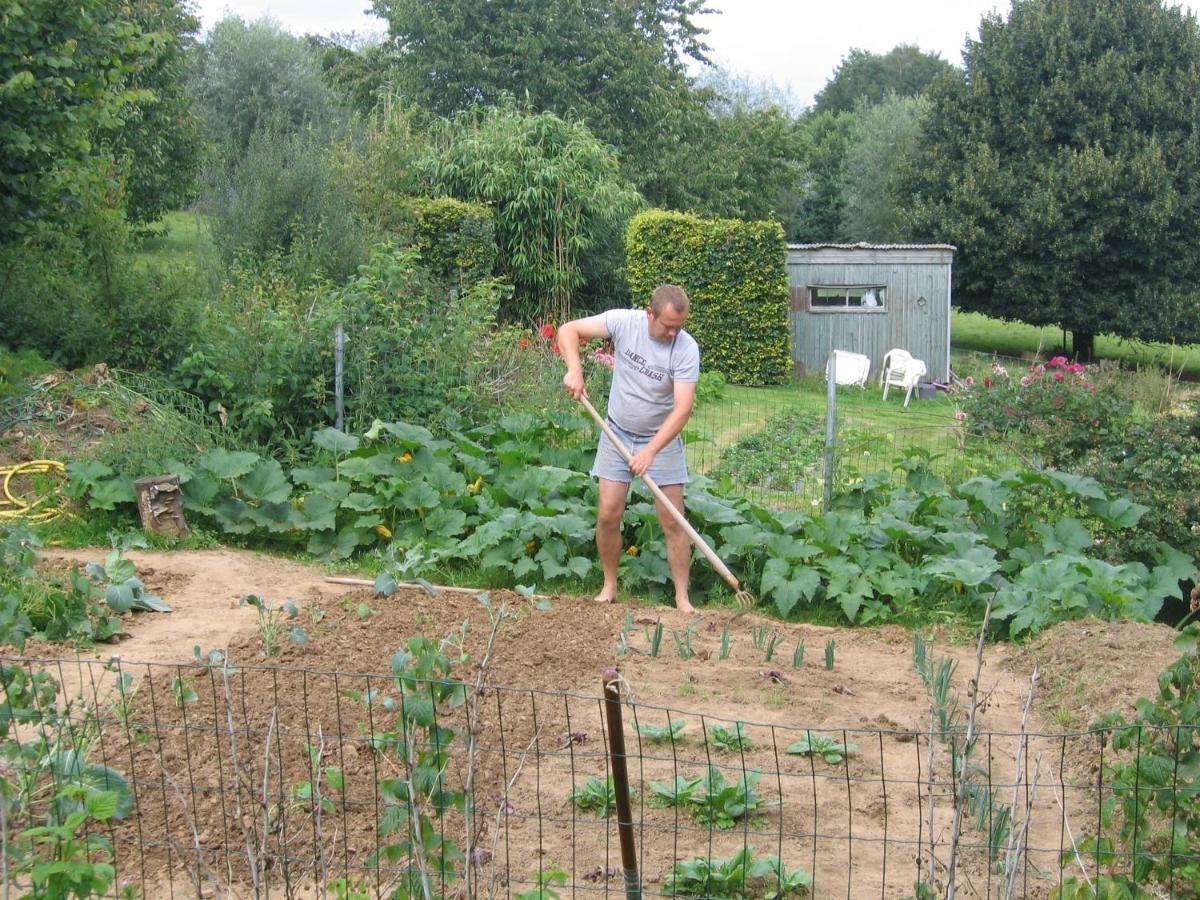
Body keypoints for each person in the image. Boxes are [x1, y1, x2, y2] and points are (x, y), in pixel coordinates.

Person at [558, 285, 700, 613]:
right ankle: (609, 587)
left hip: (660, 440)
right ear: (649, 314)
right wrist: (574, 369)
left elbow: (682, 409)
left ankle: (682, 598)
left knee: (672, 519)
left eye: (679, 326)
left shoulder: (686, 348)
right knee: (609, 513)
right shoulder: (625, 322)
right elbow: (569, 330)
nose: (673, 332)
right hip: (617, 433)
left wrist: (650, 450)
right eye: (667, 325)